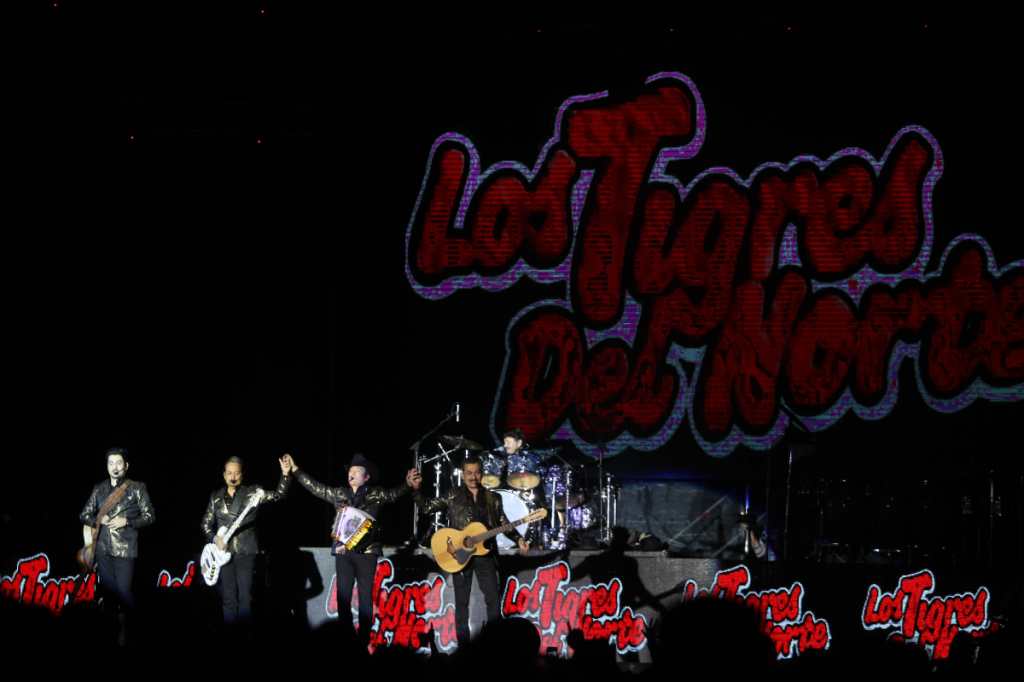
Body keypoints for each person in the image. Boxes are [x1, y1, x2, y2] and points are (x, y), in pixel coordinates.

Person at [281, 453, 419, 648]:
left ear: (366, 477)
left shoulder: (376, 494)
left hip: (366, 552)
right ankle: (347, 640)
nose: (351, 473)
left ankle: (363, 641)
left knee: (365, 598)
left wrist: (407, 485)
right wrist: (295, 470)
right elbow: (316, 488)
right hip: (344, 552)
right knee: (343, 598)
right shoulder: (340, 494)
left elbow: (393, 494)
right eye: (350, 470)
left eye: (356, 471)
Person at [414, 453, 529, 646]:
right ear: (463, 474)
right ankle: (464, 648)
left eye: (476, 472)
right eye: (469, 473)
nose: (473, 477)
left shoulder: (493, 498)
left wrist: (519, 538)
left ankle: (494, 644)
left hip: (486, 554)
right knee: (462, 603)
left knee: (493, 600)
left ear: (482, 474)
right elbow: (427, 507)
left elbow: (503, 523)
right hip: (459, 554)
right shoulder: (453, 494)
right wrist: (416, 490)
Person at [200, 455, 292, 625]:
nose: (233, 477)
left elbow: (279, 495)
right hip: (222, 553)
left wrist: (285, 475)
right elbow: (205, 524)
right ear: (224, 475)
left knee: (245, 598)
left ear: (242, 474)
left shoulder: (252, 493)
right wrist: (214, 538)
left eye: (236, 473)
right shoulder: (215, 497)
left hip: (246, 551)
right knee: (228, 598)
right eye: (229, 473)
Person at [79, 446, 155, 646]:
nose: (115, 467)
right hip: (102, 550)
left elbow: (150, 516)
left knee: (123, 592)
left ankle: (128, 632)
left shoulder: (137, 488)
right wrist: (98, 519)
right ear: (107, 466)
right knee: (108, 595)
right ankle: (111, 634)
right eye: (111, 463)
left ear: (126, 466)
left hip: (125, 549)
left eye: (119, 463)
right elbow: (83, 515)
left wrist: (127, 521)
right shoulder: (99, 488)